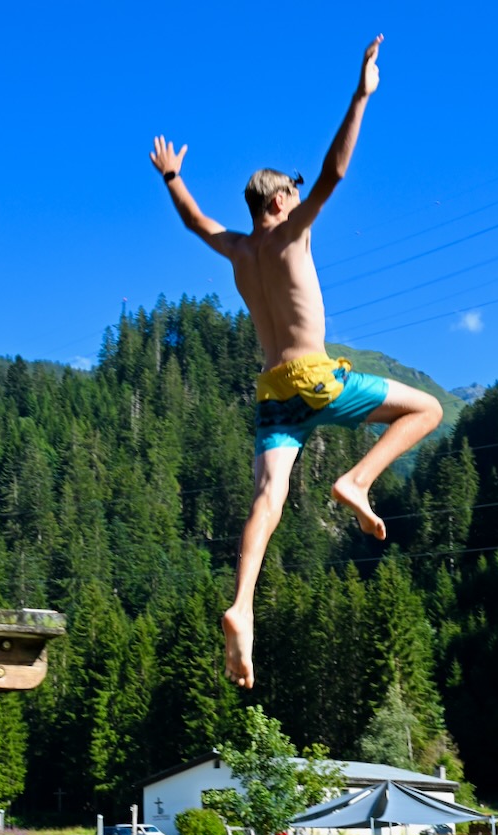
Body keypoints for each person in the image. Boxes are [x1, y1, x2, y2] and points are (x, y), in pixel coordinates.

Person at [150, 35, 444, 690]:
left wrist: (173, 177)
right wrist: (360, 96)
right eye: (293, 192)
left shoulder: (237, 249)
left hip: (271, 391)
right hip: (313, 377)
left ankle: (241, 606)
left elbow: (195, 220)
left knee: (267, 495)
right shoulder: (289, 234)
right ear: (279, 201)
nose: (299, 197)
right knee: (427, 408)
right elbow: (335, 172)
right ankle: (357, 482)